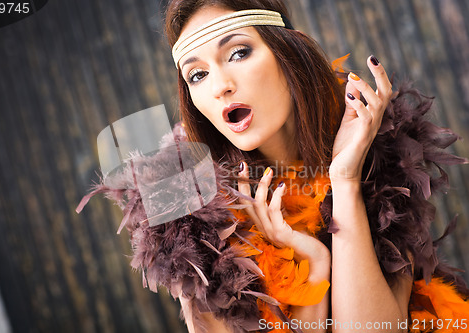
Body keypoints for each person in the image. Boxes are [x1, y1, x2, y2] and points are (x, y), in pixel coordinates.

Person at [77, 0, 469, 332]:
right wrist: (316, 266)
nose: (220, 85)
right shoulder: (188, 212)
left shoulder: (379, 154)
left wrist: (345, 181)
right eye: (198, 74)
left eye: (238, 52)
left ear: (287, 53)